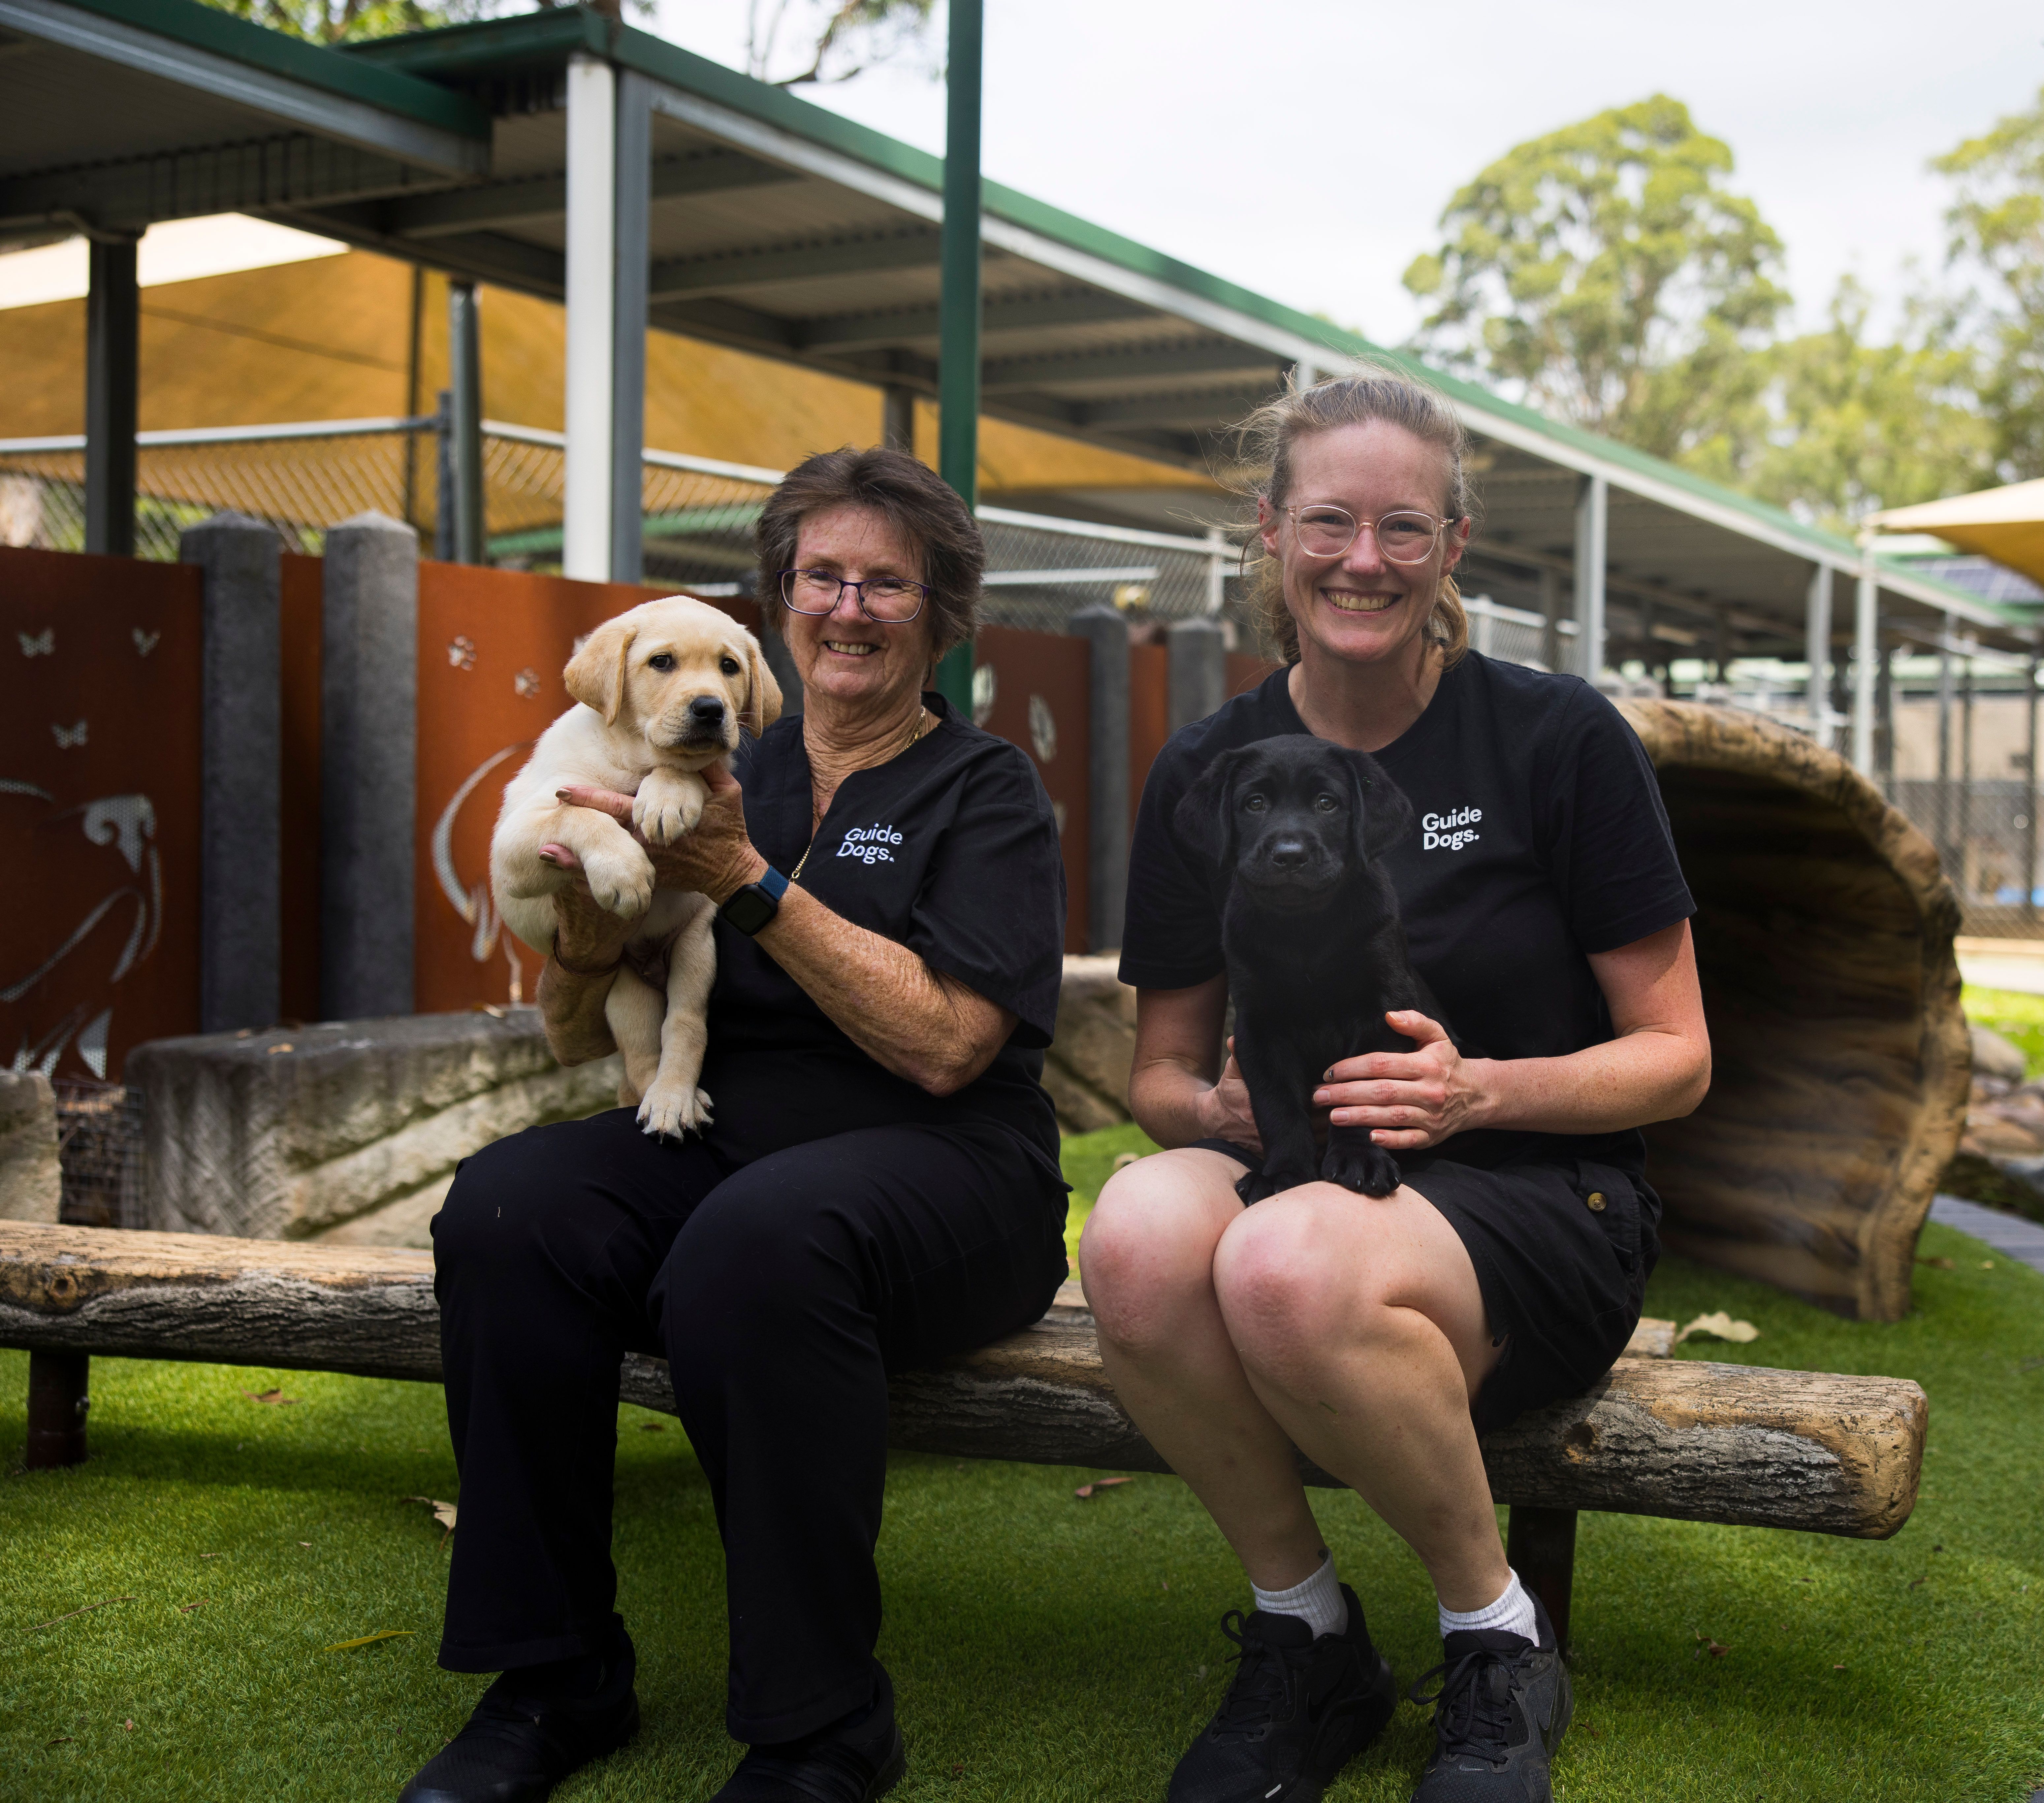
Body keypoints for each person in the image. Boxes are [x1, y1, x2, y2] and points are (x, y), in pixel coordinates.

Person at [1079, 368, 1711, 1803]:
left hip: (1544, 1188)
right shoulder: (1210, 767)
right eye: (1328, 522)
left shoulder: (1554, 738)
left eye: (1402, 528)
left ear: (1452, 548)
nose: (1362, 560)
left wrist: (1474, 1092)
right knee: (1130, 1233)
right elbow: (1160, 1076)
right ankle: (1307, 1635)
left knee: (1288, 1262)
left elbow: (1676, 1056)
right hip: (1314, 1155)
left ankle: (1494, 1640)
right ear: (1269, 533)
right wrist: (1218, 1117)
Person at [401, 447, 1070, 1803]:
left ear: (941, 615)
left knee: (756, 1241)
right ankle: (556, 1670)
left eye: (890, 582)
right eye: (821, 575)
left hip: (951, 1173)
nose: (850, 606)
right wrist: (583, 912)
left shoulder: (983, 789)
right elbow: (584, 1011)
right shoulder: (701, 748)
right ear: (777, 603)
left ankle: (821, 1724)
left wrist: (750, 880)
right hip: (723, 1132)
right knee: (507, 1208)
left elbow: (946, 1046)